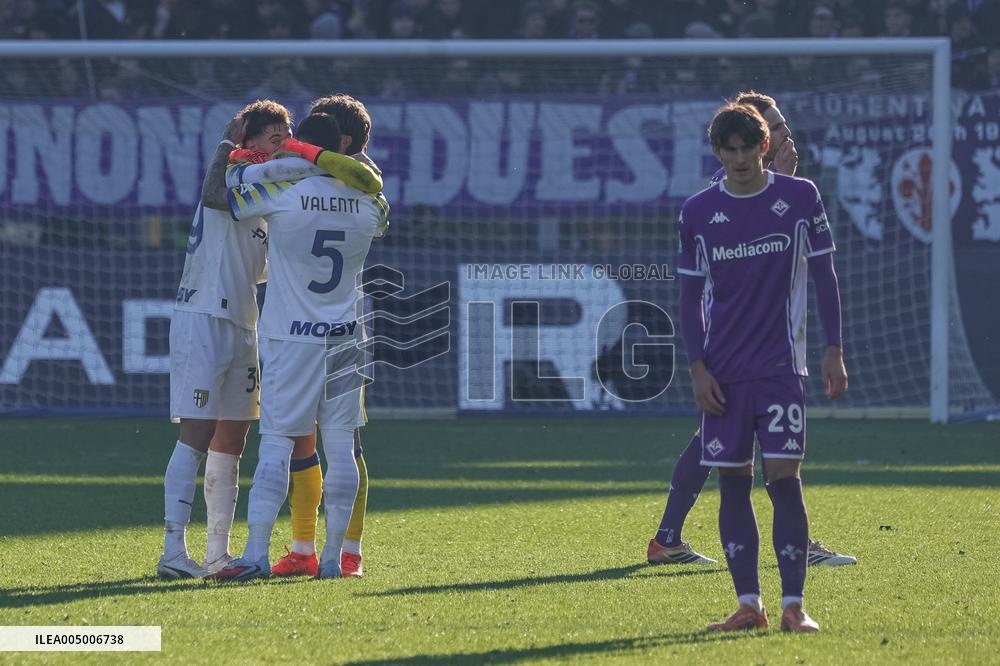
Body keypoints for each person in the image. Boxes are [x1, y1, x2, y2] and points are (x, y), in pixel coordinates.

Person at [648, 90, 856, 568]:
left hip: (768, 341)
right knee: (762, 451)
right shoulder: (730, 189)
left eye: (783, 126)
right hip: (736, 341)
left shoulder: (785, 188)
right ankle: (794, 548)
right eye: (776, 127)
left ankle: (667, 537)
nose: (786, 135)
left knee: (718, 440)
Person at [205, 112, 389, 581]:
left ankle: (255, 555)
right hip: (347, 337)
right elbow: (381, 211)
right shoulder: (371, 202)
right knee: (342, 447)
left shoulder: (283, 191)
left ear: (301, 145)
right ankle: (334, 559)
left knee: (277, 443)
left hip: (293, 337)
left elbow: (228, 195)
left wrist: (239, 152)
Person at [158, 100, 292, 580]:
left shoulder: (271, 192)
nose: (284, 144)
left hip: (242, 319)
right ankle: (173, 551)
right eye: (274, 137)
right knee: (197, 432)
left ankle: (218, 553)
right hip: (204, 316)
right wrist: (225, 143)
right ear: (247, 142)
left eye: (287, 136)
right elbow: (214, 197)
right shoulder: (235, 173)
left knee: (233, 436)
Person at [271, 93, 381, 580]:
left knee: (345, 442)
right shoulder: (360, 191)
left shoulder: (348, 181)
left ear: (343, 141)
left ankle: (349, 548)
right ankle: (304, 548)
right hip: (320, 325)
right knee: (304, 438)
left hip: (330, 328)